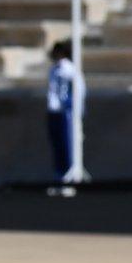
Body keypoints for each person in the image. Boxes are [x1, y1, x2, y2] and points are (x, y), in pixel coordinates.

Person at [45, 40, 84, 196]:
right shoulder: (53, 70)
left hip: (66, 112)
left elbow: (78, 92)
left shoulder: (70, 70)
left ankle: (68, 179)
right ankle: (59, 177)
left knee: (68, 145)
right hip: (53, 112)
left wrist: (77, 111)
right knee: (57, 145)